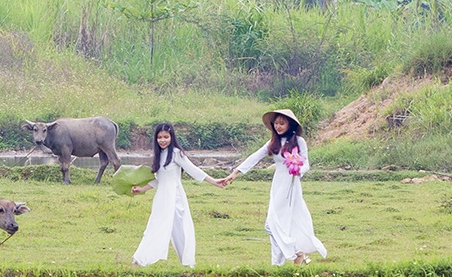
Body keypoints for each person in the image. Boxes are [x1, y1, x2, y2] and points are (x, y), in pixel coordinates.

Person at [219, 108, 326, 266]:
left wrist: (298, 170)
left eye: (282, 123)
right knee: (274, 224)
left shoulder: (299, 142)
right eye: (276, 123)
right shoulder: (273, 142)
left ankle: (293, 254)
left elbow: (306, 163)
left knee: (273, 224)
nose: (278, 126)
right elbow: (255, 156)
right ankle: (289, 256)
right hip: (278, 184)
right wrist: (235, 172)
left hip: (291, 185)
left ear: (290, 125)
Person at [128, 122, 216, 267]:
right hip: (162, 198)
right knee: (155, 226)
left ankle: (187, 262)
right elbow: (159, 180)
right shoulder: (159, 155)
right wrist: (142, 189)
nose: (163, 140)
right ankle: (139, 260)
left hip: (175, 197)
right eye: (160, 137)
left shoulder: (176, 153)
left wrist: (215, 182)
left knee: (180, 229)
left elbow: (193, 170)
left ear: (172, 137)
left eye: (166, 137)